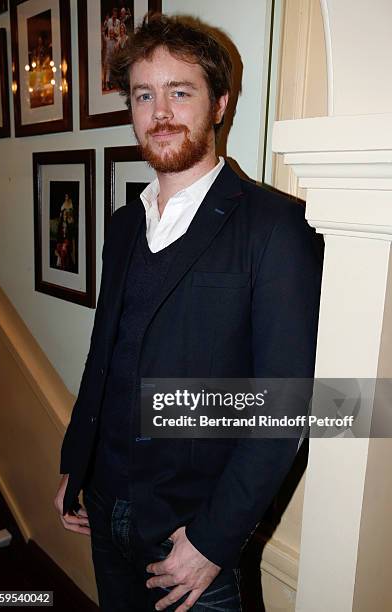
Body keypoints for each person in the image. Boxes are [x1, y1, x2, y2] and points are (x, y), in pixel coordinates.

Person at [54, 13, 322, 612]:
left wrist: (212, 541)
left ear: (220, 104)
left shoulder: (276, 228)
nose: (160, 112)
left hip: (192, 537)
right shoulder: (125, 224)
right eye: (144, 95)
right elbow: (105, 355)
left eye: (181, 92)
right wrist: (77, 462)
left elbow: (286, 407)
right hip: (104, 510)